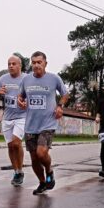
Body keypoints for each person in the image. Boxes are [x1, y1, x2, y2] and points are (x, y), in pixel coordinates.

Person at [18, 51, 69, 195]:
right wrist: (20, 102)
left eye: (39, 62)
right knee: (34, 158)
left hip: (48, 123)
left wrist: (60, 106)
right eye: (33, 63)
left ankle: (49, 171)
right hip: (30, 125)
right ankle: (42, 182)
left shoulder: (54, 79)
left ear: (45, 63)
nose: (36, 65)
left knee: (41, 153)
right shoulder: (26, 80)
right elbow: (20, 96)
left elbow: (65, 94)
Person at [0, 55, 27, 186]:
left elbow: (33, 96)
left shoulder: (26, 79)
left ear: (20, 66)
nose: (11, 66)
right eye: (9, 64)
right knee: (10, 146)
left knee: (16, 143)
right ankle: (17, 171)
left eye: (14, 64)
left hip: (22, 117)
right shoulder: (3, 79)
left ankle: (21, 170)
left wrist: (26, 102)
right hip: (7, 117)